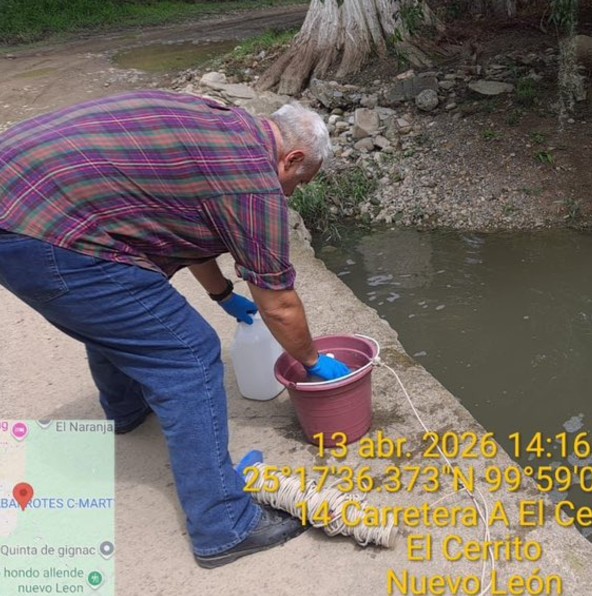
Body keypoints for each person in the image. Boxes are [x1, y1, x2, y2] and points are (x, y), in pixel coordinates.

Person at [0, 90, 351, 568]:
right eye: (298, 180)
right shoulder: (253, 182)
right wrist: (312, 361)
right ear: (291, 157)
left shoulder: (224, 125)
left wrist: (222, 294)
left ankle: (126, 412)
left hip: (22, 192)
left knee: (125, 316)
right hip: (41, 229)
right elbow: (281, 303)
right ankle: (224, 526)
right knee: (188, 356)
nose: (291, 192)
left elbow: (187, 225)